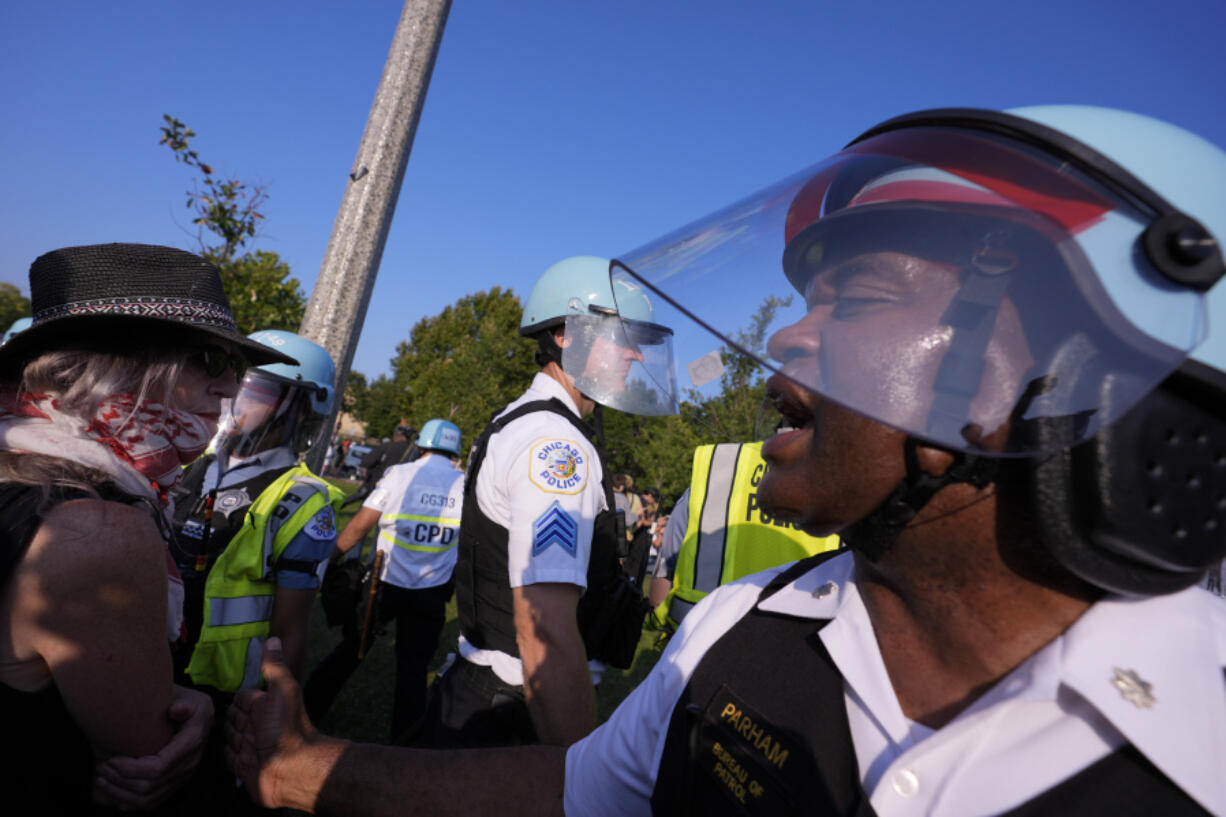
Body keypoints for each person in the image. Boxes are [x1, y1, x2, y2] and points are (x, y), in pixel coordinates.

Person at [227, 106, 1226, 815]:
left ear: (1075, 385)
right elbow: (576, 789)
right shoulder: (737, 630)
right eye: (800, 299)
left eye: (860, 298)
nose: (786, 340)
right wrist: (303, 768)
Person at [0, 242, 294, 812]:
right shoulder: (97, 531)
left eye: (237, 369)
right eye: (211, 361)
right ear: (122, 364)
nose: (231, 388)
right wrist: (201, 713)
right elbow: (147, 756)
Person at [414, 255, 676, 749]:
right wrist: (576, 774)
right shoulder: (555, 447)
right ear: (565, 335)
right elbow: (545, 632)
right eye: (621, 335)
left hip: (492, 695)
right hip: (516, 710)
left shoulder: (529, 423)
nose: (636, 356)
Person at [168, 329, 341, 812]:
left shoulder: (301, 499)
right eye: (237, 386)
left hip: (230, 696)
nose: (235, 404)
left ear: (299, 408)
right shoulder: (195, 465)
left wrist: (281, 724)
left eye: (258, 392)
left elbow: (292, 628)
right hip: (162, 665)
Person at [303, 419, 465, 742]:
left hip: (385, 582)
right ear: (454, 451)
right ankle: (404, 746)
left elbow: (360, 527)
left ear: (422, 445)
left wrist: (325, 561)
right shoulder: (466, 484)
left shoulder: (401, 474)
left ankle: (306, 710)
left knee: (352, 650)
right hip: (432, 593)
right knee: (414, 670)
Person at [652, 440, 841, 633]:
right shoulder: (849, 481)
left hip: (699, 636)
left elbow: (664, 573)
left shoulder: (718, 470)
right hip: (799, 641)